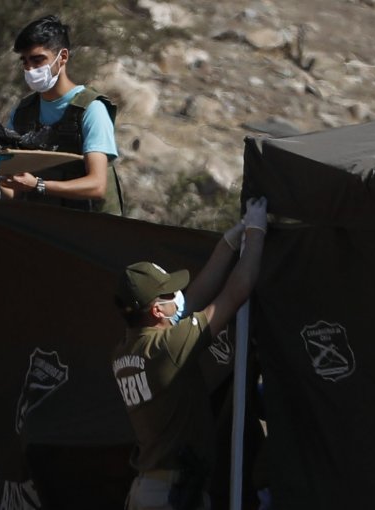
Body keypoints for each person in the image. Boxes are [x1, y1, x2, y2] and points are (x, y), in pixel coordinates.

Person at [111, 197, 268, 510]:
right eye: (170, 295)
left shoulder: (128, 349)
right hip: (172, 494)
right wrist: (255, 234)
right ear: (157, 310)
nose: (178, 297)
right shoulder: (167, 347)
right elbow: (236, 292)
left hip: (149, 489)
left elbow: (195, 296)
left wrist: (228, 242)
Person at [2, 15, 123, 214]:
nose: (30, 69)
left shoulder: (91, 110)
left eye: (38, 60)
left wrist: (38, 185)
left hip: (81, 233)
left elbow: (97, 185)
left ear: (63, 57)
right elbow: (13, 188)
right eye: (24, 61)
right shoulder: (23, 112)